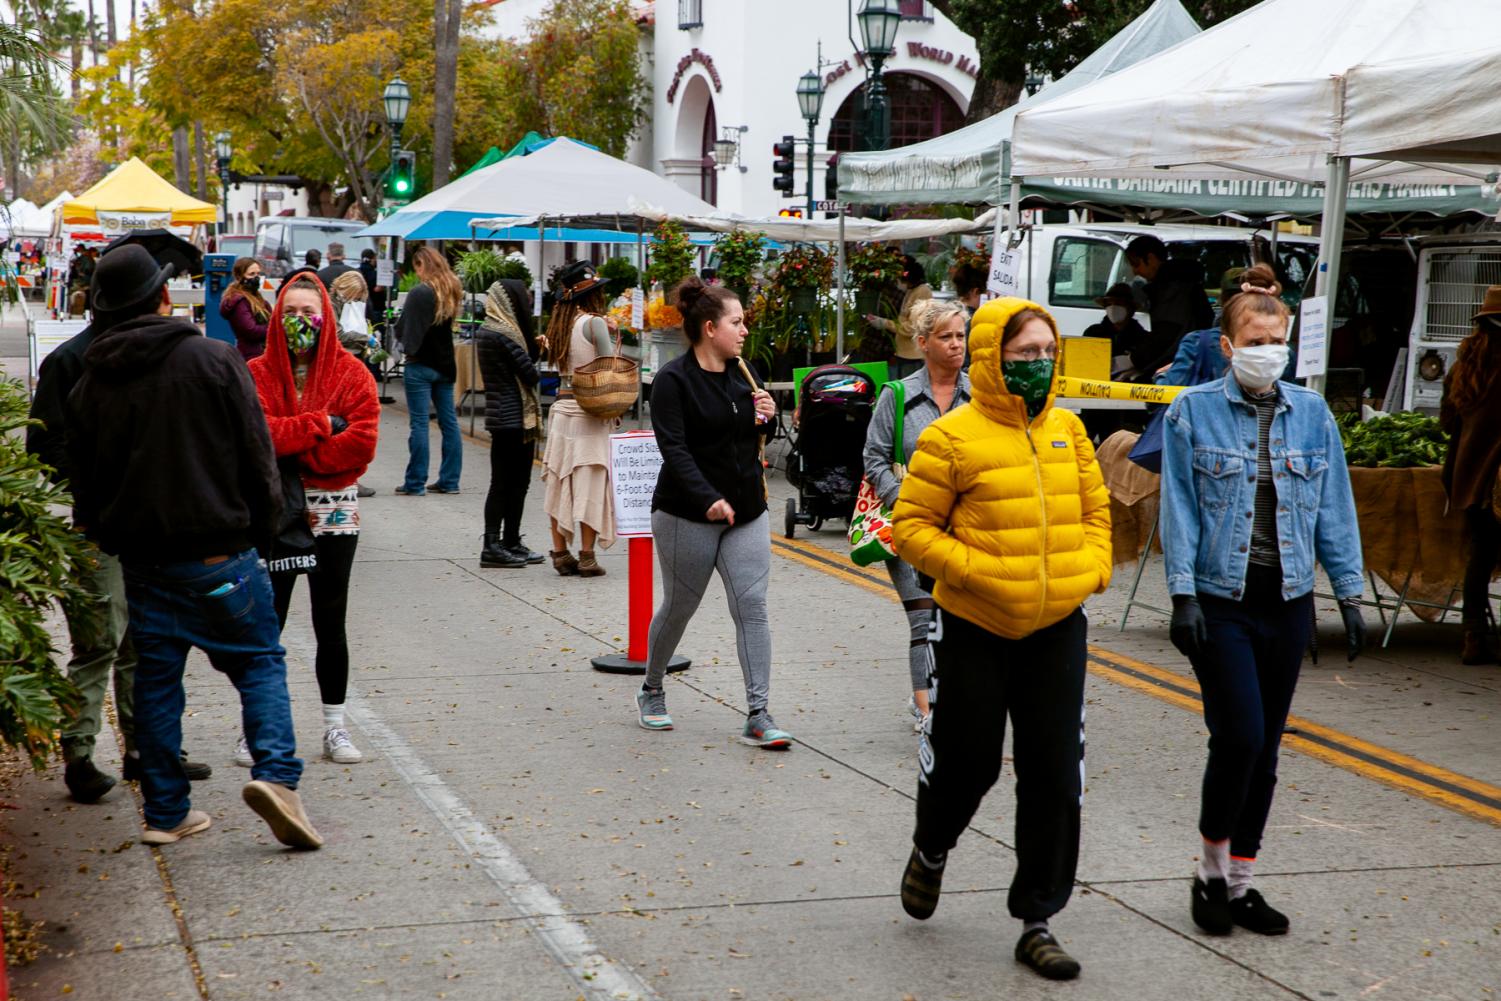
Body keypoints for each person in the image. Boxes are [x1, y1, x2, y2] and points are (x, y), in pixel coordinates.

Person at [65, 244, 322, 849]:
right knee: (258, 661)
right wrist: (262, 530)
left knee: (157, 680)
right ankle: (277, 779)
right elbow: (258, 454)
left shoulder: (91, 383)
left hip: (144, 560)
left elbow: (86, 483)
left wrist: (111, 536)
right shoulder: (213, 360)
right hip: (220, 550)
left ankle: (165, 810)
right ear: (161, 297)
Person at [892, 296, 1111, 981]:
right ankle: (931, 846)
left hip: (1056, 628)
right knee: (968, 763)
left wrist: (1091, 569)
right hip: (979, 625)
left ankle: (1036, 916)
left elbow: (1098, 512)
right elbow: (910, 530)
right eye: (1024, 355)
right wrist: (978, 571)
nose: (1039, 365)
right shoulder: (950, 436)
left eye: (1048, 353)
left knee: (1052, 773)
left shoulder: (1069, 432)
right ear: (991, 358)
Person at [1160, 263, 1364, 939]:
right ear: (1226, 344)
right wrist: (1182, 595)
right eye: (1253, 338)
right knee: (1239, 736)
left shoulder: (1310, 414)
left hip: (1287, 601)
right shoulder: (1191, 410)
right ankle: (1209, 872)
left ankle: (1241, 883)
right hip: (1220, 601)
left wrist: (1350, 591)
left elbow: (1332, 506)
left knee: (1267, 749)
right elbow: (1180, 509)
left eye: (1275, 337)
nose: (1266, 349)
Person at [27, 287, 212, 803]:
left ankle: (144, 750)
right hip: (95, 524)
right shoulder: (71, 359)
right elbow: (44, 445)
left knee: (144, 641)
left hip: (148, 524)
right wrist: (100, 491)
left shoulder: (150, 358)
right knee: (98, 641)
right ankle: (79, 755)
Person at [634, 277, 789, 747]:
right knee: (681, 605)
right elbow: (675, 451)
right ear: (709, 328)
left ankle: (758, 713)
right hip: (686, 513)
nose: (744, 331)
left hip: (747, 510)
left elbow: (756, 432)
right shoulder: (673, 381)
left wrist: (769, 413)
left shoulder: (747, 372)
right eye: (736, 322)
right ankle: (652, 688)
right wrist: (707, 498)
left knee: (753, 607)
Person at [246, 273, 380, 766]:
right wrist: (322, 426)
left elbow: (361, 444)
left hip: (334, 512)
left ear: (326, 317)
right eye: (291, 314)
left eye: (310, 313)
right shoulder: (257, 373)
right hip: (277, 513)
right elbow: (258, 439)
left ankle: (334, 727)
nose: (300, 322)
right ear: (276, 319)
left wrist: (294, 453)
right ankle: (258, 728)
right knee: (270, 621)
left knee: (331, 620)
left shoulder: (353, 375)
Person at [862, 299, 970, 732]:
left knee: (958, 619)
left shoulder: (979, 394)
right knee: (923, 617)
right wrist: (899, 501)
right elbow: (872, 457)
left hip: (964, 528)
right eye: (945, 337)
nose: (955, 344)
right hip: (910, 526)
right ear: (923, 343)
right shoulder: (899, 395)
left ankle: (943, 694)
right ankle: (927, 713)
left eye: (961, 335)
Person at [540, 260, 618, 576]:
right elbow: (610, 364)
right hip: (589, 412)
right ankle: (586, 556)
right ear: (593, 296)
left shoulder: (558, 324)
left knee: (560, 481)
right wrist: (613, 332)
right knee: (590, 484)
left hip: (561, 409)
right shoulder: (594, 323)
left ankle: (560, 553)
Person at [1440, 286, 1501, 664]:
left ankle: (1473, 635)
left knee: (1481, 553)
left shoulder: (1465, 364)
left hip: (1468, 476)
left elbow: (1448, 422)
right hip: (1496, 479)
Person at [475, 278, 544, 569]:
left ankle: (509, 542)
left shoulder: (490, 331)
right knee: (508, 484)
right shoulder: (503, 334)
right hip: (512, 418)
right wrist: (536, 352)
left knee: (513, 483)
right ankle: (494, 545)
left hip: (506, 418)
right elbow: (530, 375)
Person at [395, 246, 463, 496]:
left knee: (420, 424)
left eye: (417, 268)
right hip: (445, 364)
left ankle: (415, 483)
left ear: (423, 265)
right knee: (449, 423)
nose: (418, 273)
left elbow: (406, 329)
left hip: (420, 364)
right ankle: (450, 480)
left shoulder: (420, 293)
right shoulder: (451, 290)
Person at [1126, 235, 1214, 374]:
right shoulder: (1178, 286)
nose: (1135, 271)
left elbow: (1166, 334)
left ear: (1150, 259)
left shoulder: (1173, 288)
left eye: (1136, 263)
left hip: (1177, 367)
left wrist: (1134, 360)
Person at [1154, 269, 1247, 388]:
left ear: (1223, 299)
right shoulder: (1274, 345)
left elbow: (1163, 394)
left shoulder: (1197, 342)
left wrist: (1162, 374)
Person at [866, 254, 934, 379]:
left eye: (902, 279)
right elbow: (904, 318)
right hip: (903, 352)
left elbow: (913, 327)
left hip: (913, 356)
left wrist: (886, 323)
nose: (899, 283)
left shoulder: (922, 292)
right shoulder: (911, 291)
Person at [1082, 282, 1151, 379]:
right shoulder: (1092, 333)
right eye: (1109, 304)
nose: (1113, 308)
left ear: (1130, 308)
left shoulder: (1143, 338)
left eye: (1118, 303)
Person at [219, 256, 271, 361]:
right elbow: (251, 331)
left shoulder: (255, 297)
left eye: (258, 274)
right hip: (251, 356)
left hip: (261, 353)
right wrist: (273, 327)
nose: (256, 277)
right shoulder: (239, 301)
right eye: (251, 274)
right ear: (239, 277)